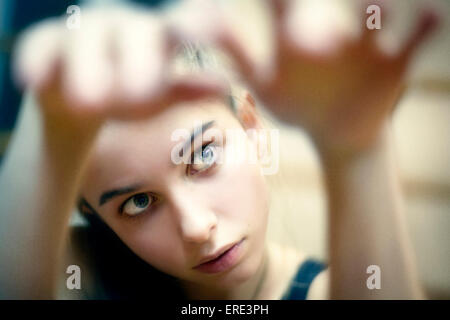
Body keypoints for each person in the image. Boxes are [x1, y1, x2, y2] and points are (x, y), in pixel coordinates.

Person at [0, 0, 439, 299]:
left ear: (249, 123)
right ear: (93, 214)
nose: (196, 227)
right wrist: (45, 125)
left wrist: (358, 153)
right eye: (138, 202)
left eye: (204, 156)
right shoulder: (82, 276)